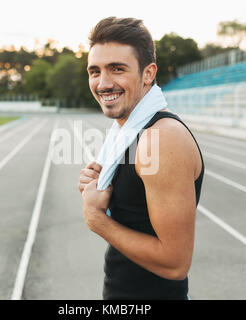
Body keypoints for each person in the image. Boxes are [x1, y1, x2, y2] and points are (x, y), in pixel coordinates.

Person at [78, 17, 204, 300]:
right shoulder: (128, 132)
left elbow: (175, 263)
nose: (103, 83)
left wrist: (97, 219)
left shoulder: (161, 139)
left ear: (148, 74)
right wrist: (102, 187)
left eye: (117, 69)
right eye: (94, 71)